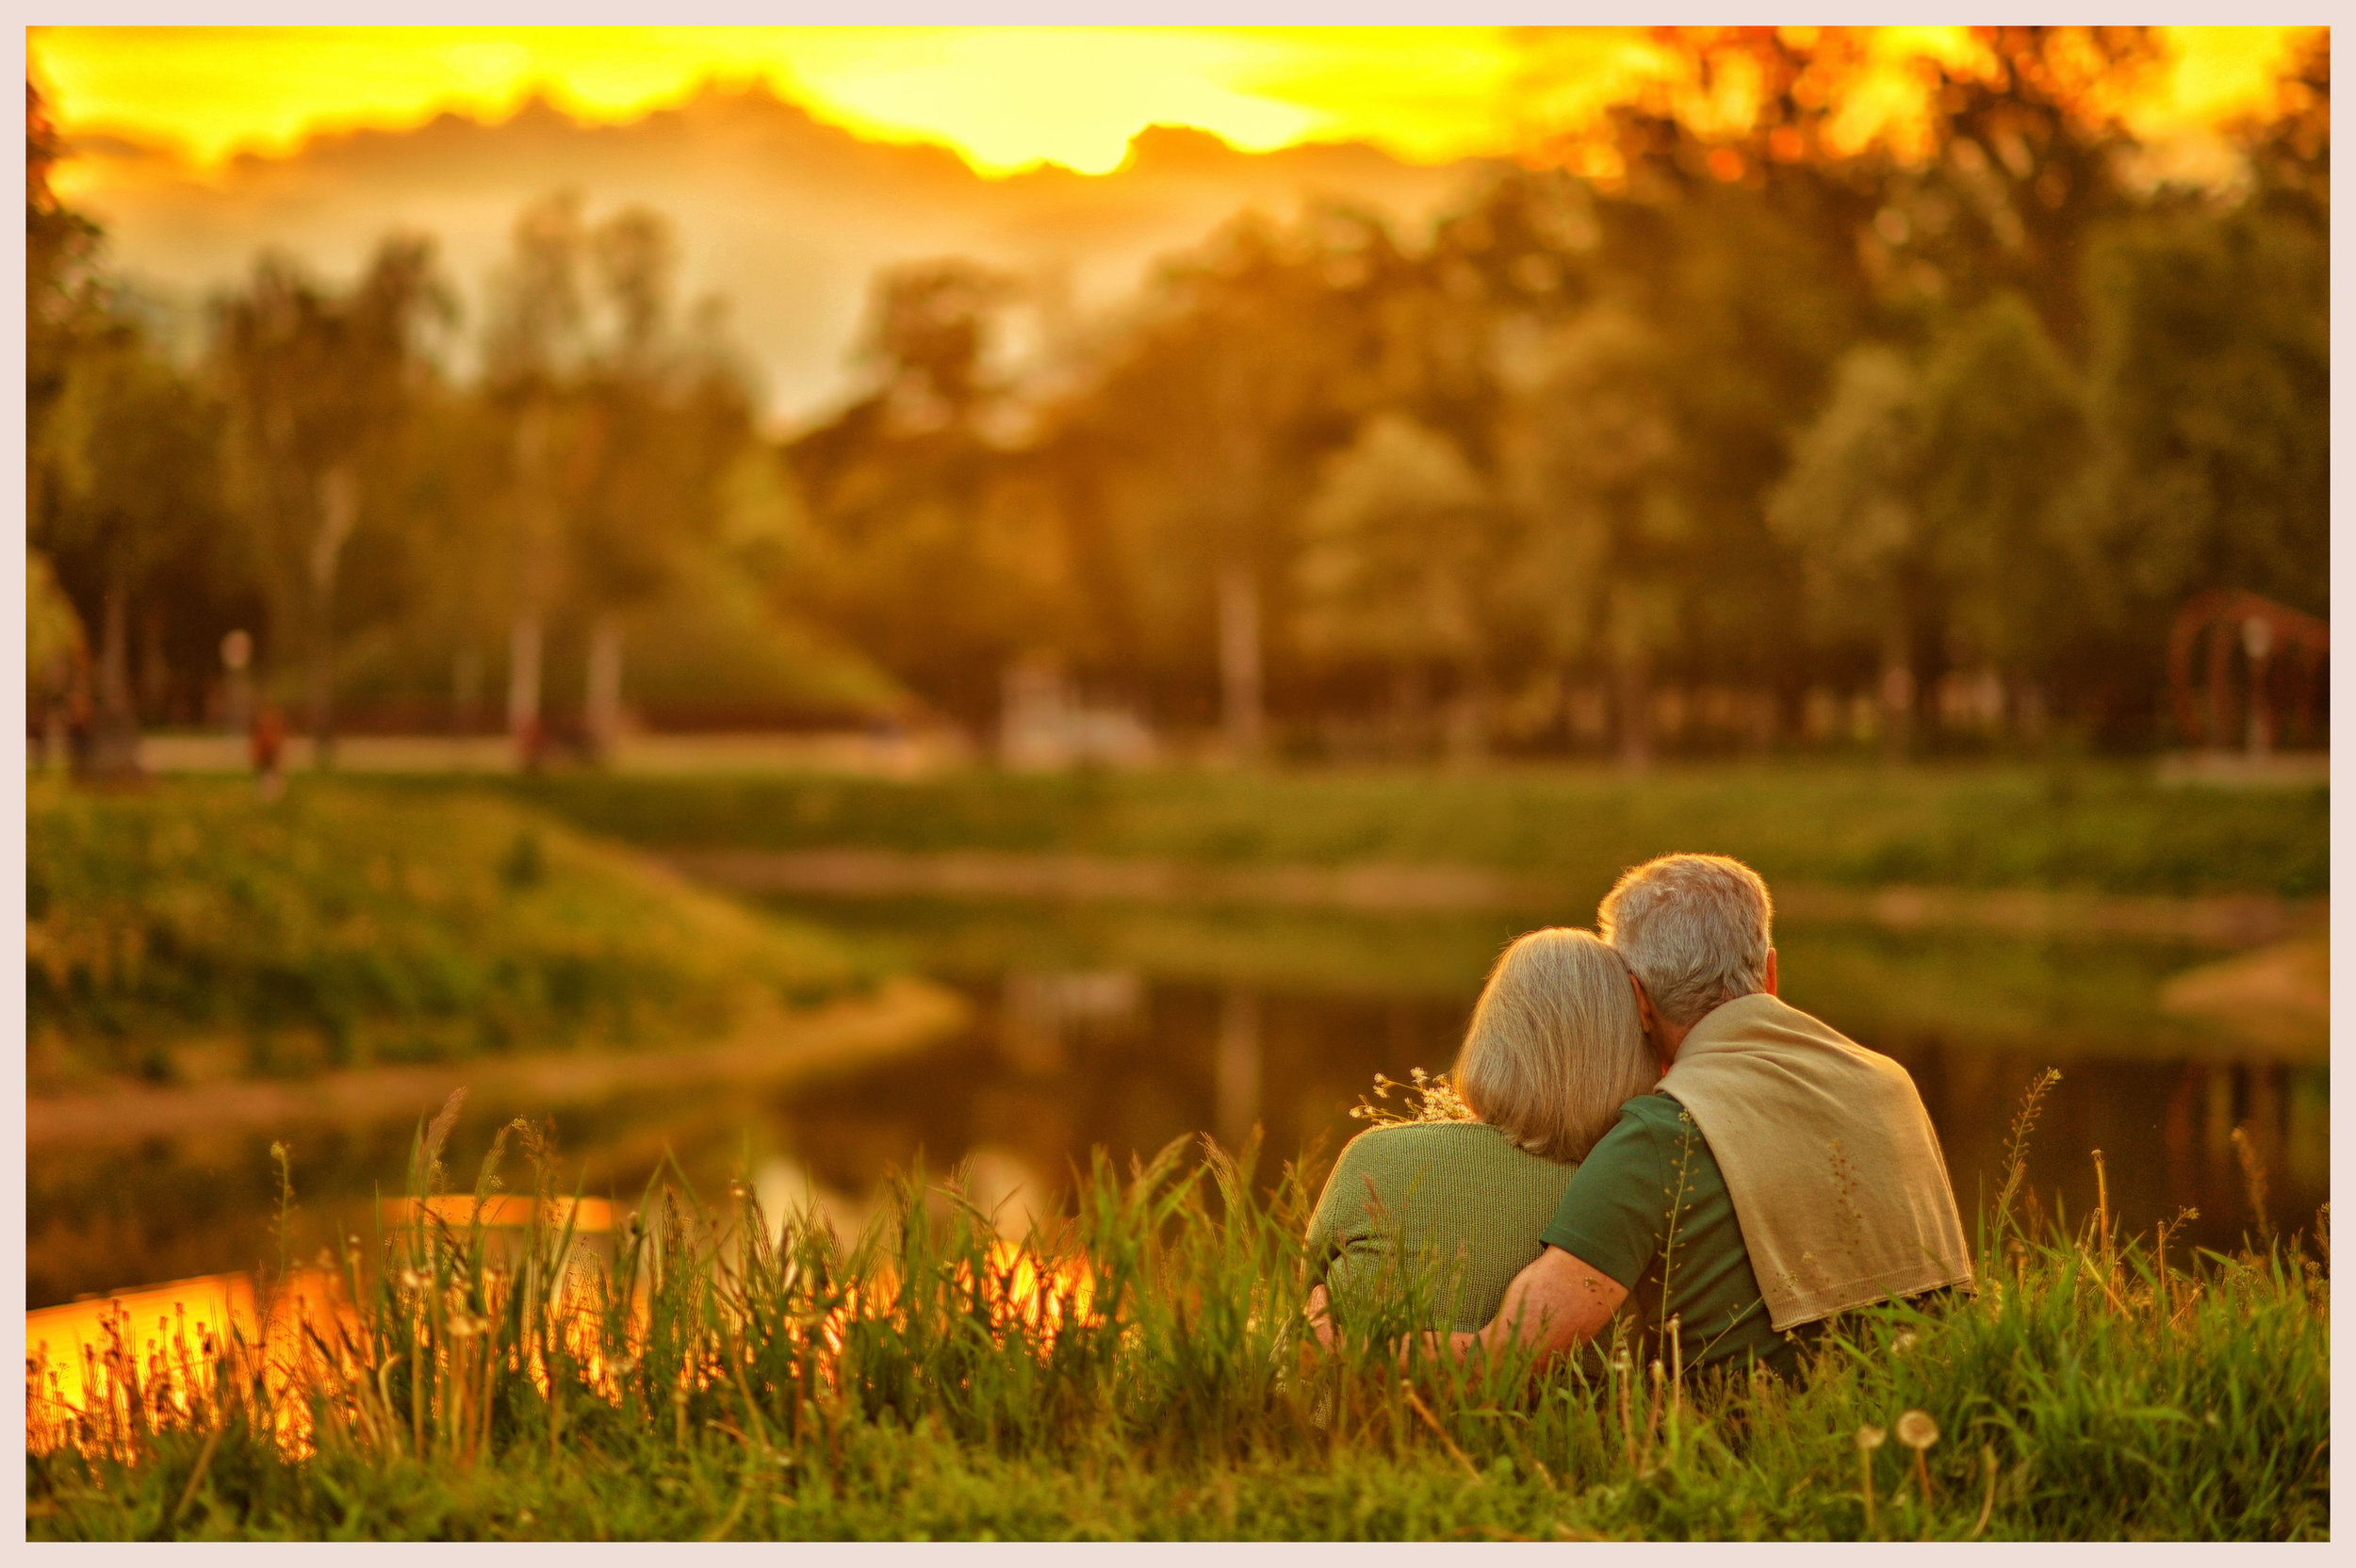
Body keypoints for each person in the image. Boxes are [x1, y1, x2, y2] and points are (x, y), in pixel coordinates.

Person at [1457, 854, 1972, 1380]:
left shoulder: (1660, 1136)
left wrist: (1380, 1344)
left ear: (1636, 1000)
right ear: (1770, 973)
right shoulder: (1890, 1082)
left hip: (1756, 1447)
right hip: (1924, 1414)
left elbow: (1505, 1358)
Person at [1303, 928, 1661, 1336]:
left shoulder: (1375, 1158)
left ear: (1491, 1036)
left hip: (1361, 1396)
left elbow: (1308, 1298)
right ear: (1629, 1051)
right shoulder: (1641, 1190)